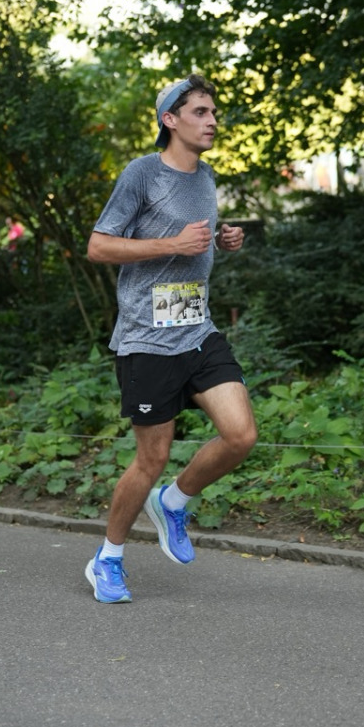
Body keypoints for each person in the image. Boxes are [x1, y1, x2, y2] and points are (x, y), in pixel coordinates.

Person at [85, 74, 257, 602]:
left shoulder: (206, 177)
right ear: (170, 120)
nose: (212, 121)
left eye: (213, 112)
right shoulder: (142, 174)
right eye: (201, 112)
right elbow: (98, 246)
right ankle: (107, 559)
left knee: (241, 435)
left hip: (197, 329)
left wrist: (222, 241)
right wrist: (172, 244)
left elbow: (193, 243)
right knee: (150, 459)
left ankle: (174, 503)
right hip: (146, 338)